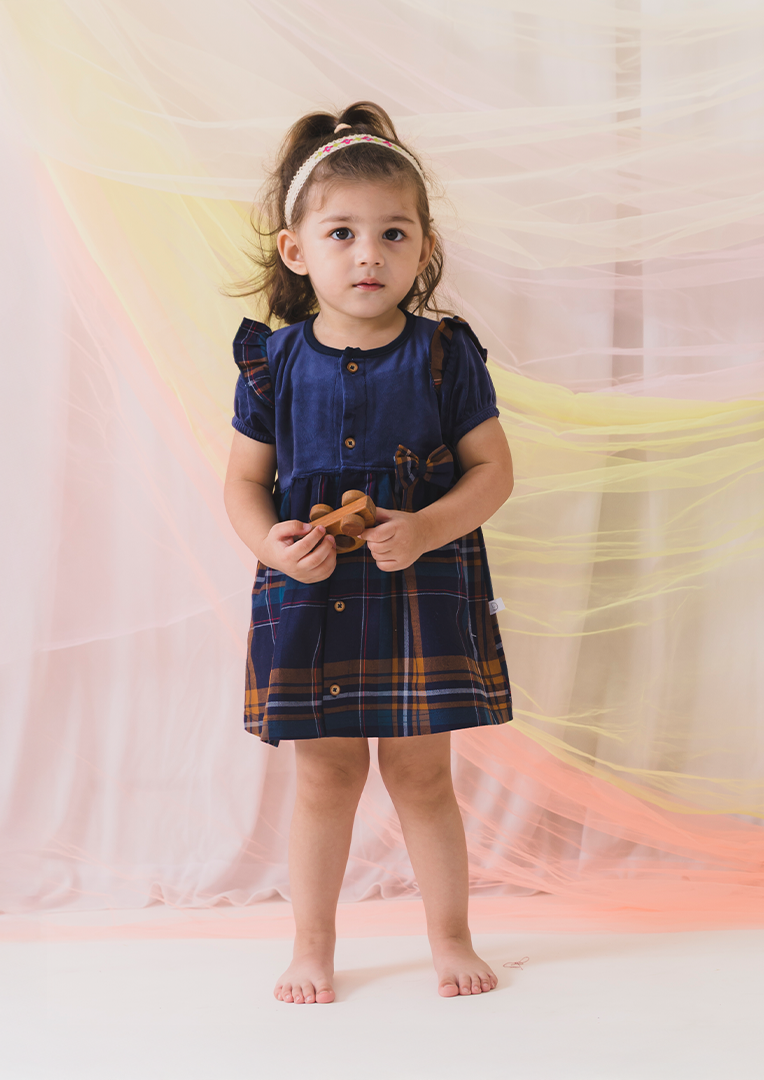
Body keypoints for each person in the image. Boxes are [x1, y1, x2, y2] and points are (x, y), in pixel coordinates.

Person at [224, 102, 513, 1004]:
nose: (368, 254)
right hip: (312, 595)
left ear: (422, 250)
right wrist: (267, 542)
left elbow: (493, 473)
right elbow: (241, 485)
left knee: (423, 773)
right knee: (326, 775)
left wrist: (426, 526)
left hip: (418, 588)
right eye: (342, 232)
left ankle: (450, 937)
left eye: (393, 233)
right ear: (296, 250)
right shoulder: (273, 364)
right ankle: (312, 948)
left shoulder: (443, 355)